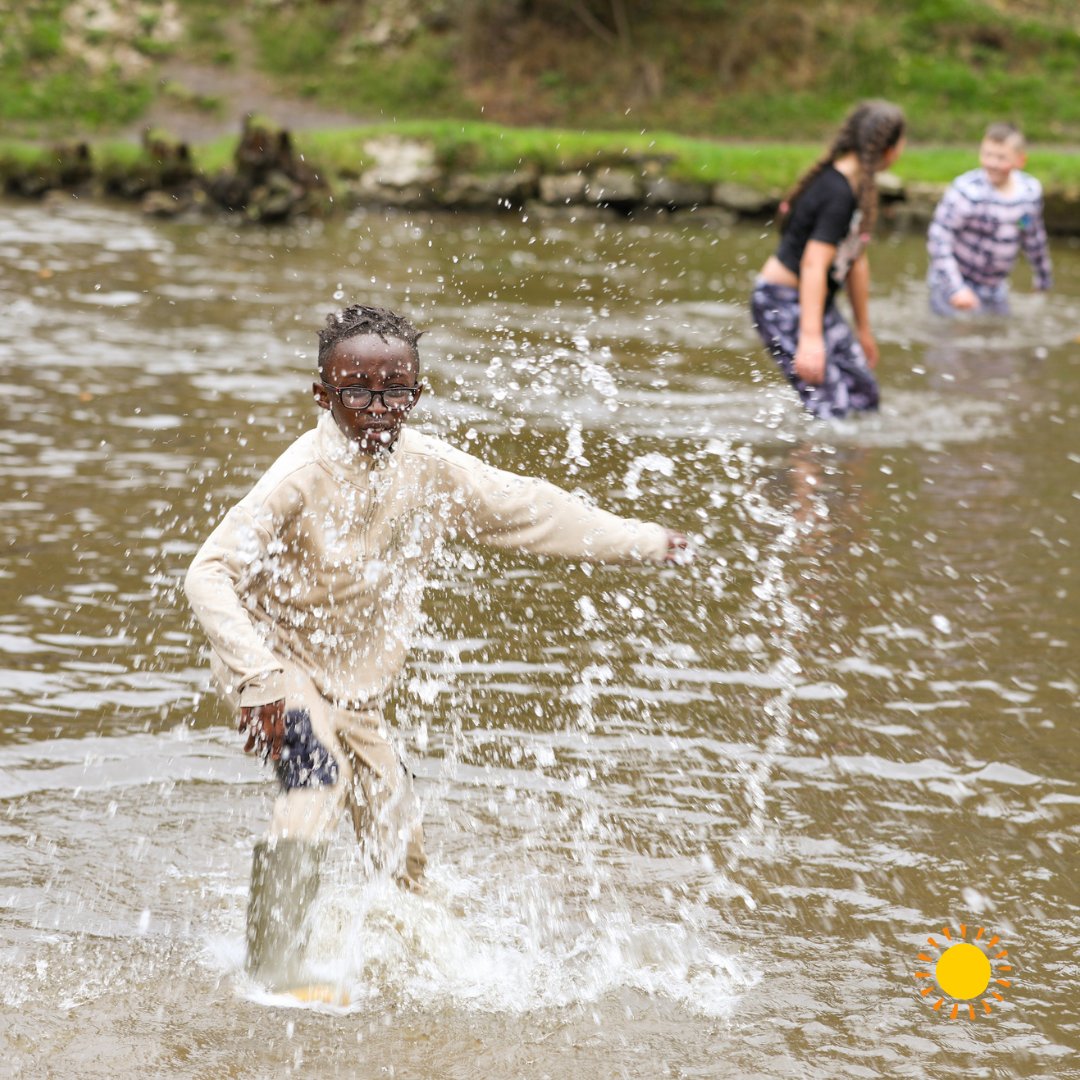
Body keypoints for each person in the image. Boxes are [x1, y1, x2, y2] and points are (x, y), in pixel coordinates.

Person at [183, 304, 691, 999]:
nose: (377, 407)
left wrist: (651, 542)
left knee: (397, 832)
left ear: (417, 394)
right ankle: (271, 976)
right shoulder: (297, 476)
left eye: (396, 391)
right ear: (322, 393)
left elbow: (533, 509)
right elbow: (207, 574)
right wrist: (261, 682)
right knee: (315, 776)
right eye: (356, 390)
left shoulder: (427, 467)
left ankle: (426, 959)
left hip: (352, 684)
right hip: (270, 662)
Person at [750, 100, 906, 420]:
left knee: (864, 395)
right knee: (831, 409)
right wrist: (810, 339)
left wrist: (863, 330)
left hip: (814, 302)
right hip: (781, 302)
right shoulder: (836, 192)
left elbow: (855, 262)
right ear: (889, 149)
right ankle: (805, 467)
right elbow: (813, 264)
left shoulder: (859, 186)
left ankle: (851, 466)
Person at [927, 121, 1052, 317]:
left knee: (999, 338)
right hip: (955, 282)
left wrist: (1043, 277)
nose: (992, 163)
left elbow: (1031, 235)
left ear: (1020, 160)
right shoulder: (966, 192)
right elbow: (939, 238)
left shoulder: (1029, 194)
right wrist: (955, 288)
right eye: (987, 154)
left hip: (994, 287)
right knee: (956, 340)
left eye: (1001, 157)